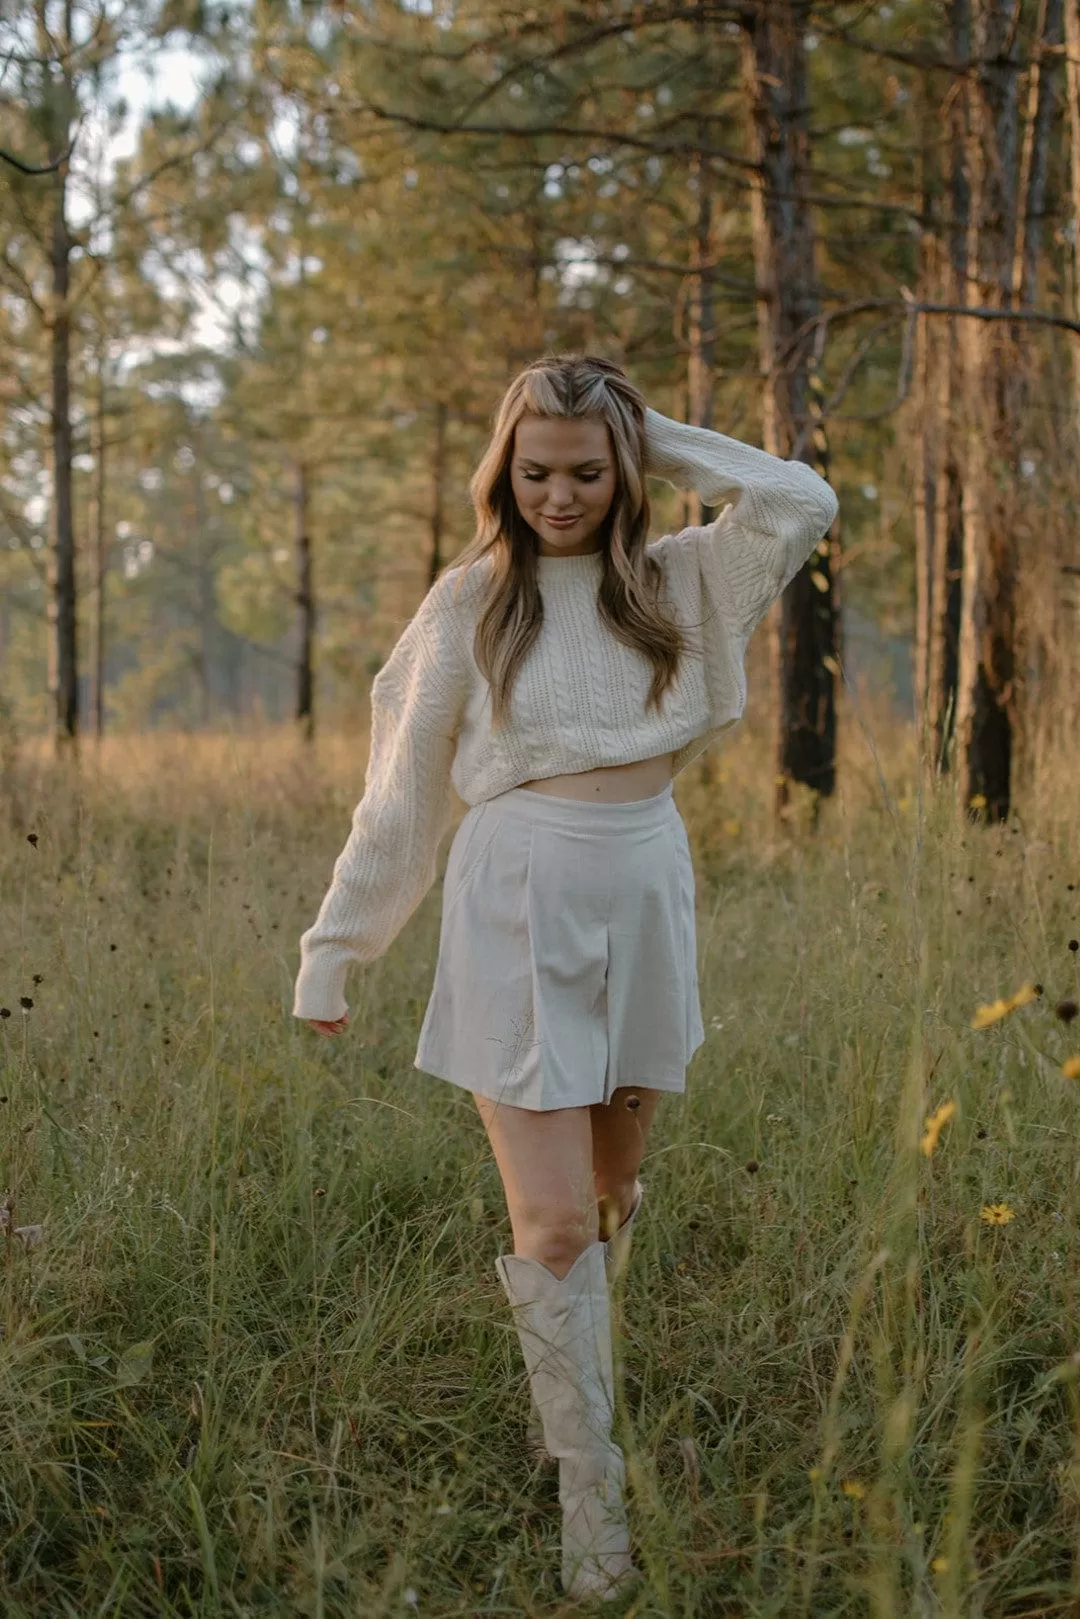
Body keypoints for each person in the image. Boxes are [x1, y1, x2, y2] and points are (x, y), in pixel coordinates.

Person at [292, 353, 838, 1602]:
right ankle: (588, 1480)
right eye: (535, 470)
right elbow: (402, 791)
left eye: (588, 472)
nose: (559, 495)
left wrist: (655, 433)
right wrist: (338, 944)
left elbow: (801, 498)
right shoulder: (471, 600)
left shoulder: (685, 575)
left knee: (605, 1195)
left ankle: (587, 1361)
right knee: (544, 1221)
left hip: (646, 882)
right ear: (504, 470)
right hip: (514, 892)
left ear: (626, 470)